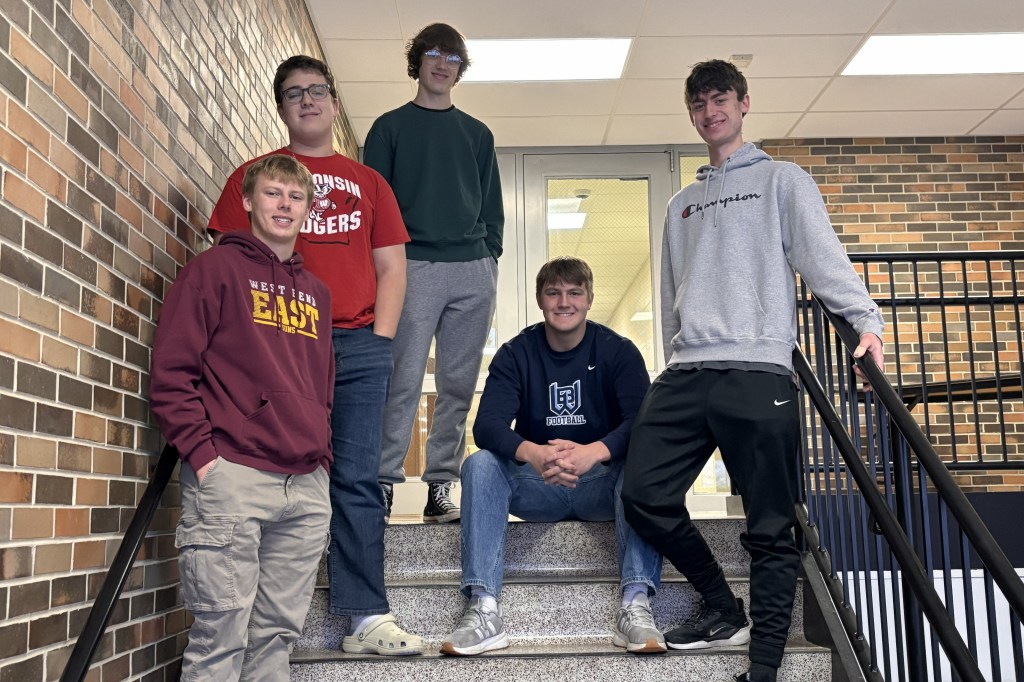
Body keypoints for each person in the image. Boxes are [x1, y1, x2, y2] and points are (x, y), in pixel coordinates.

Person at [621, 59, 885, 682]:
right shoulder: (681, 204)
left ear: (743, 104)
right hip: (688, 371)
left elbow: (823, 259)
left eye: (720, 99)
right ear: (691, 114)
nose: (710, 111)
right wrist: (672, 357)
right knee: (642, 495)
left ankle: (762, 669)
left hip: (758, 371)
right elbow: (669, 292)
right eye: (698, 103)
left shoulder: (781, 180)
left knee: (771, 527)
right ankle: (721, 604)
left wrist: (865, 320)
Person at [208, 56, 423, 656]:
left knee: (355, 479)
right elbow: (230, 262)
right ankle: (262, 621)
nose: (307, 100)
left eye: (317, 91)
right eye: (293, 93)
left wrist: (380, 341)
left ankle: (364, 618)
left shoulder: (370, 182)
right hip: (277, 344)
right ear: (281, 108)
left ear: (333, 102)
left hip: (356, 343)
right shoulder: (253, 176)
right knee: (269, 470)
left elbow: (392, 268)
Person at [151, 155, 332, 680]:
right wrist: (206, 459)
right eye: (273, 193)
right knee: (219, 641)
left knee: (274, 639)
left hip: (304, 485)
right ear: (249, 202)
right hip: (232, 476)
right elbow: (172, 371)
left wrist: (322, 461)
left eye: (296, 197)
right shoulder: (213, 271)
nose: (285, 205)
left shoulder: (316, 294)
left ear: (307, 210)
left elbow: (323, 388)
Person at [441, 256, 665, 656]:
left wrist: (593, 452)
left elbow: (642, 424)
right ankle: (483, 608)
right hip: (538, 486)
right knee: (480, 464)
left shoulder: (618, 351)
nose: (564, 302)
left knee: (645, 462)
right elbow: (487, 426)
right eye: (554, 293)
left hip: (601, 483)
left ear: (590, 299)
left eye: (574, 292)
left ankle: (636, 604)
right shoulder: (515, 353)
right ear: (541, 300)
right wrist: (536, 453)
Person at [363, 22, 504, 524]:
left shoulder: (477, 134)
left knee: (458, 383)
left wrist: (490, 253)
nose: (443, 63)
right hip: (412, 264)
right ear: (417, 62)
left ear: (460, 70)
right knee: (401, 377)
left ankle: (441, 484)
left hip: (471, 269)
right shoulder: (389, 128)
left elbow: (492, 206)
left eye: (453, 57)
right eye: (433, 53)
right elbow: (373, 205)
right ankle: (381, 481)